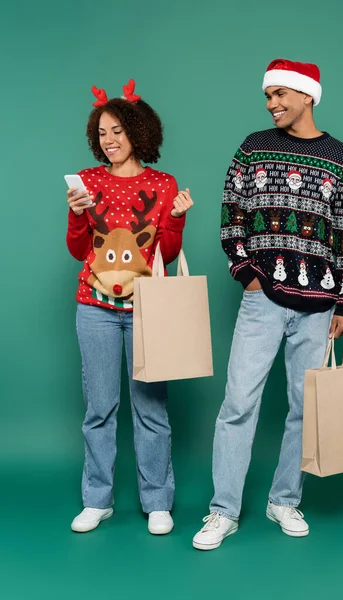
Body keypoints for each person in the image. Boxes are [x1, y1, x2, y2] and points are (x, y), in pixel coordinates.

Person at [193, 59, 343, 550]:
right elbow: (232, 212)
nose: (272, 104)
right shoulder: (253, 147)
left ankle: (283, 499)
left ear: (308, 95)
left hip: (321, 304)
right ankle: (222, 510)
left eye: (281, 95)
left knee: (303, 408)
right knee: (238, 404)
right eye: (268, 96)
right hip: (262, 298)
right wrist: (246, 273)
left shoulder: (340, 156)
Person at [66, 79, 193, 534]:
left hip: (147, 311)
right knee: (99, 409)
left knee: (150, 410)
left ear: (138, 132)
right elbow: (76, 247)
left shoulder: (163, 184)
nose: (109, 140)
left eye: (117, 130)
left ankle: (157, 500)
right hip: (94, 307)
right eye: (102, 132)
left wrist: (176, 220)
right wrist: (77, 214)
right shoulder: (87, 181)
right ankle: (96, 499)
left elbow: (168, 253)